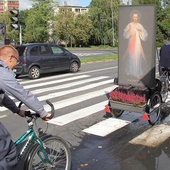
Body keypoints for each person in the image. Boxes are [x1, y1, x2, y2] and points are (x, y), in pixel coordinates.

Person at [0, 45, 51, 170]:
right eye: (16, 61)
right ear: (11, 58)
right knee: (8, 150)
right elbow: (22, 93)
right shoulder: (2, 71)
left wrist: (18, 111)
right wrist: (42, 112)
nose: (15, 65)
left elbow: (2, 96)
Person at [123, 10, 148, 79]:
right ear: (132, 17)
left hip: (138, 44)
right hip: (131, 44)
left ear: (138, 17)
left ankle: (137, 72)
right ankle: (130, 71)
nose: (135, 18)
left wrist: (140, 32)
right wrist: (129, 31)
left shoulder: (140, 26)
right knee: (131, 57)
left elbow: (145, 35)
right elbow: (125, 34)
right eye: (134, 17)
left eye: (136, 17)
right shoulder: (130, 25)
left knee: (138, 58)